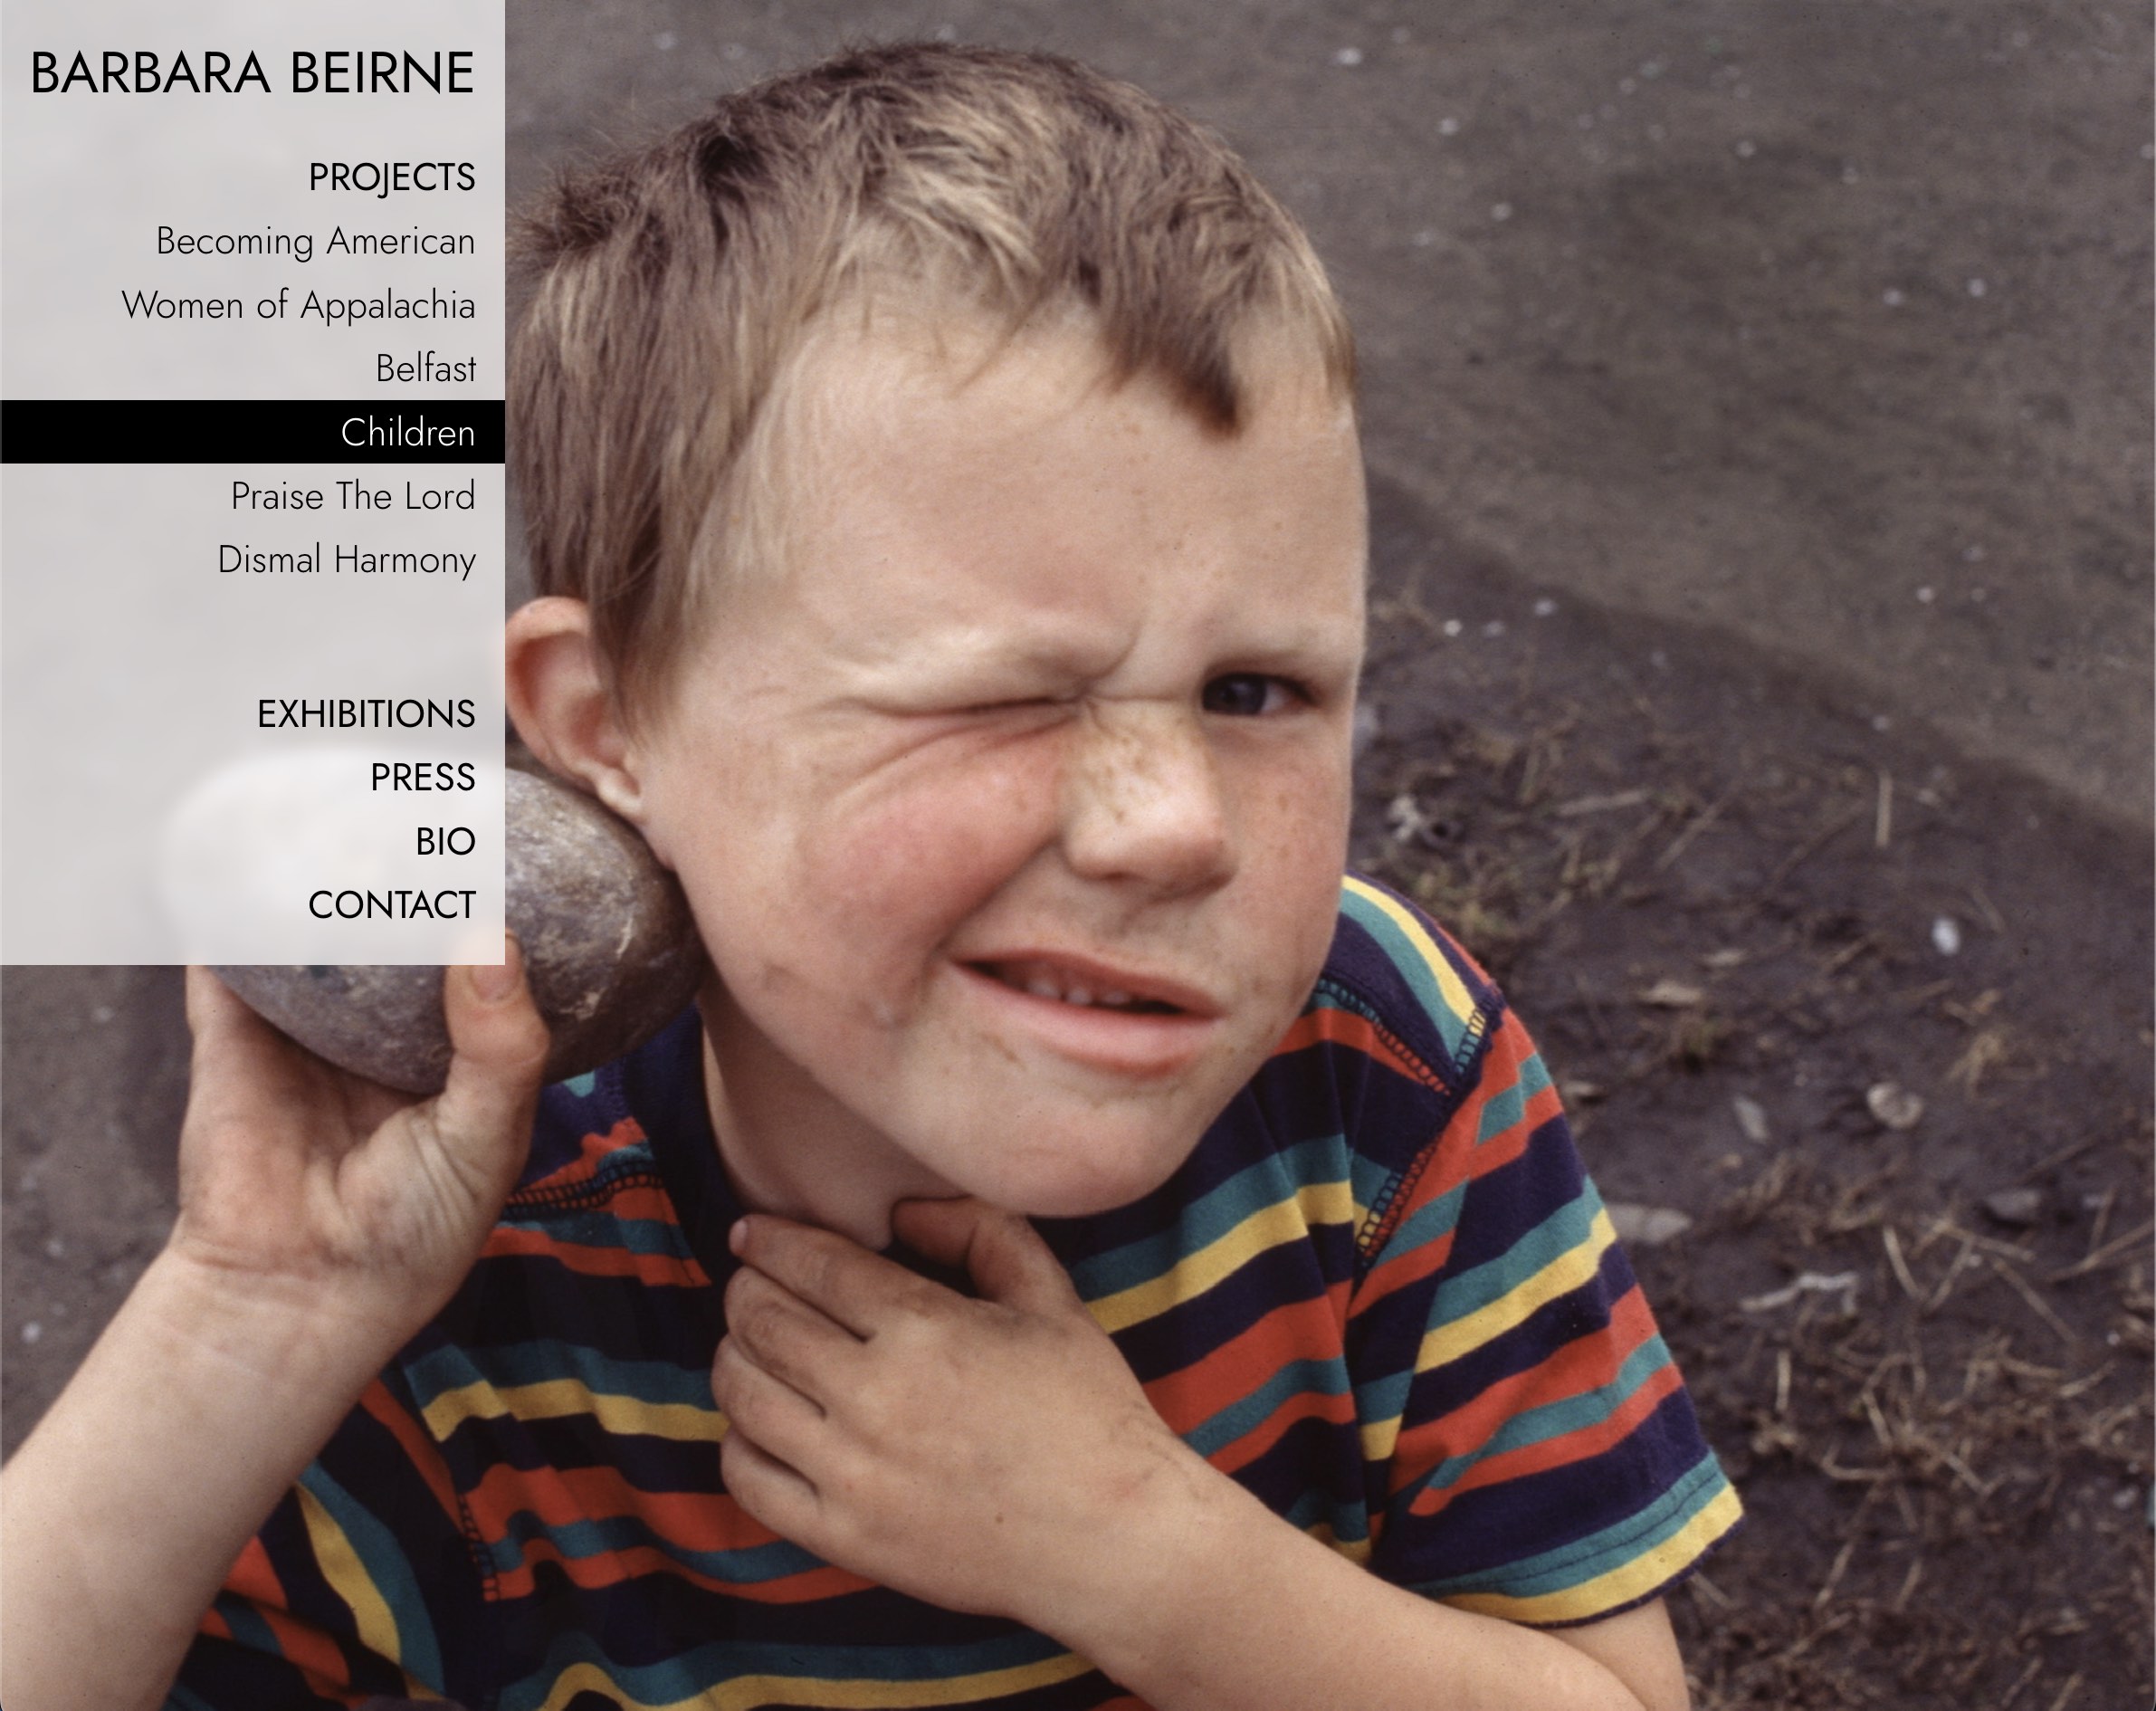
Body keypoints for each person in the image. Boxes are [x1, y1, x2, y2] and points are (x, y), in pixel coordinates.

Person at [0, 43, 1739, 1711]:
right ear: (607, 727)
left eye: (1255, 692)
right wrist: (260, 1308)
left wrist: (1136, 1552)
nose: (1176, 825)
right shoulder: (481, 1241)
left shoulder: (1382, 1080)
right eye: (1000, 692)